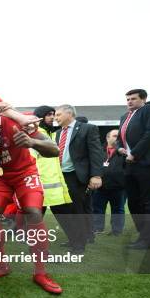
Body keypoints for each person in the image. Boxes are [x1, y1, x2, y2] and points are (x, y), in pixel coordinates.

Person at [0, 97, 62, 293]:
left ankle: (40, 273)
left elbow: (54, 150)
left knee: (33, 212)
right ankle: (1, 264)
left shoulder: (13, 122)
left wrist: (32, 142)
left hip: (24, 172)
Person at [117, 89, 150, 249]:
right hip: (130, 165)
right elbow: (119, 139)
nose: (129, 101)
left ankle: (147, 240)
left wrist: (135, 153)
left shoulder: (148, 110)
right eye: (128, 99)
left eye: (133, 99)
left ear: (143, 99)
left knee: (149, 203)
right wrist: (119, 149)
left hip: (148, 163)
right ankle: (143, 236)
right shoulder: (125, 116)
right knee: (134, 203)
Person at [55, 104, 103, 252]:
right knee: (62, 210)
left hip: (77, 177)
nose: (56, 118)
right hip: (60, 176)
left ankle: (79, 244)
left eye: (58, 115)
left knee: (77, 210)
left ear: (69, 114)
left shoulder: (88, 129)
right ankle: (73, 239)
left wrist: (96, 175)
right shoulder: (58, 133)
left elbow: (96, 153)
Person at [32, 106, 78, 247]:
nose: (52, 117)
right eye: (49, 114)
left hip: (53, 184)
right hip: (42, 183)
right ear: (40, 117)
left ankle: (76, 243)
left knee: (59, 216)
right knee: (37, 218)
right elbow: (31, 159)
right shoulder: (37, 134)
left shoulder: (51, 133)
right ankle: (75, 243)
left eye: (54, 114)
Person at [92, 129, 126, 236]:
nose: (117, 138)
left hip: (118, 186)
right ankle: (98, 228)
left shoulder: (124, 152)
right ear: (107, 138)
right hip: (100, 186)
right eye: (115, 136)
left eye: (118, 136)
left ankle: (116, 231)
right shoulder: (99, 150)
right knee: (97, 209)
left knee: (118, 210)